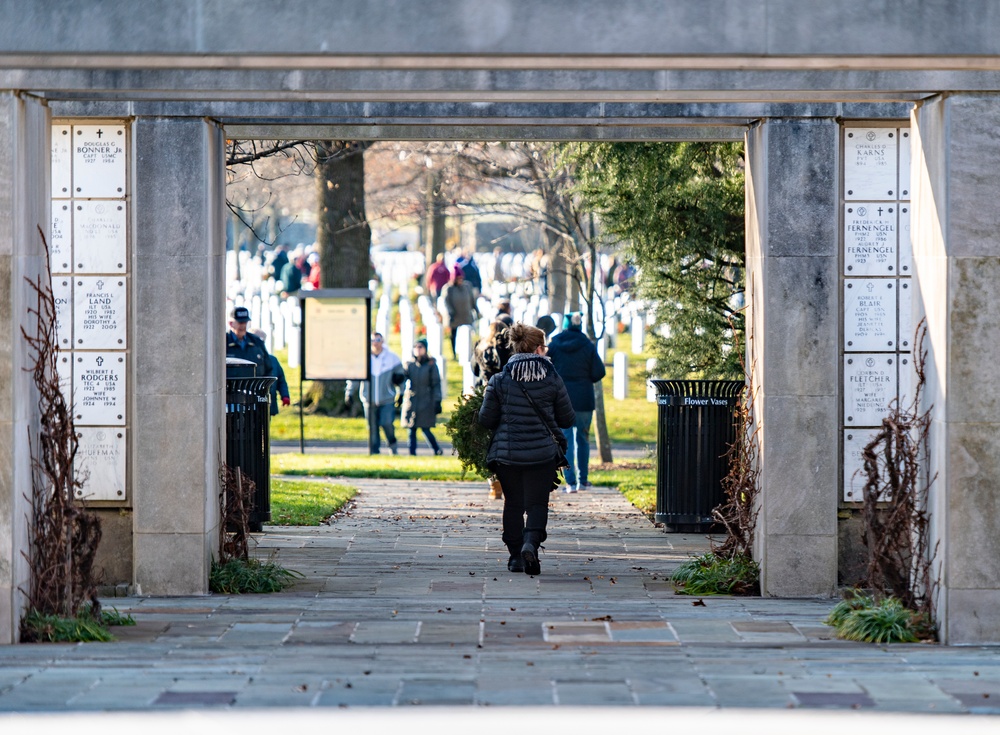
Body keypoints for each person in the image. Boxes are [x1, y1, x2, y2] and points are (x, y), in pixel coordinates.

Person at [477, 323, 575, 576]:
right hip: (541, 454)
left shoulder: (499, 380)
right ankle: (531, 543)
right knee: (537, 504)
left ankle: (514, 557)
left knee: (513, 504)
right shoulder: (552, 378)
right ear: (539, 348)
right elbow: (567, 418)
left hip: (506, 454)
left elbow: (486, 420)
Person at [545, 313, 607, 493]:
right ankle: (583, 480)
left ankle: (570, 483)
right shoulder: (587, 345)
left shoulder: (555, 344)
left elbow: (547, 369)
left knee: (566, 440)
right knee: (583, 439)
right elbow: (598, 372)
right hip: (584, 399)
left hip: (562, 399)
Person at [346, 332, 405, 454]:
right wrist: (350, 392)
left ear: (382, 341)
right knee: (372, 427)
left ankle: (393, 447)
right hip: (369, 398)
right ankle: (374, 451)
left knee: (387, 423)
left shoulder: (392, 358)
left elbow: (401, 377)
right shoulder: (363, 359)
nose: (375, 343)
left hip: (387, 398)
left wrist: (402, 393)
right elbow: (355, 377)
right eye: (373, 340)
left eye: (378, 340)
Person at [400, 339, 443, 455]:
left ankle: (436, 449)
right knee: (411, 429)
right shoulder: (409, 365)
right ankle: (412, 453)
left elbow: (436, 384)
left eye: (421, 347)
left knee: (425, 428)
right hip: (412, 400)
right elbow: (402, 379)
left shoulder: (431, 365)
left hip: (426, 401)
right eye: (416, 347)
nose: (418, 350)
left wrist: (437, 401)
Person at [226, 306, 272, 381]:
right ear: (231, 323)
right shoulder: (224, 343)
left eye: (245, 322)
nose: (243, 326)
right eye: (240, 322)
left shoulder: (256, 342)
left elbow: (268, 368)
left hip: (253, 390)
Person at [440, 266, 477, 359]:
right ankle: (454, 353)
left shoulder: (467, 286)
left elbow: (472, 299)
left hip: (466, 315)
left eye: (461, 278)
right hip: (455, 317)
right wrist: (450, 313)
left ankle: (468, 351)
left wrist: (475, 309)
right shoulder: (448, 288)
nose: (460, 280)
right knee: (454, 335)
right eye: (458, 278)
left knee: (468, 334)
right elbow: (446, 302)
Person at [253, 329, 290, 416]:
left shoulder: (272, 360)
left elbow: (281, 379)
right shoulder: (247, 360)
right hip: (250, 403)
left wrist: (285, 395)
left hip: (268, 401)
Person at [472, 319, 513, 388]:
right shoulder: (510, 348)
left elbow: (475, 369)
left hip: (485, 387)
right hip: (507, 388)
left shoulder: (481, 347)